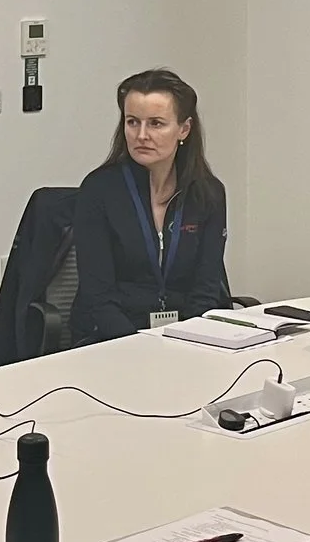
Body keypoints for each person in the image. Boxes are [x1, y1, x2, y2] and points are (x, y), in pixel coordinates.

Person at [67, 69, 230, 344]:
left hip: (187, 338)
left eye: (155, 124)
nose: (141, 135)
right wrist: (143, 347)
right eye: (133, 122)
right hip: (113, 339)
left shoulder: (208, 193)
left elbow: (207, 289)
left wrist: (185, 342)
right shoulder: (99, 190)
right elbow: (98, 297)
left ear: (184, 129)